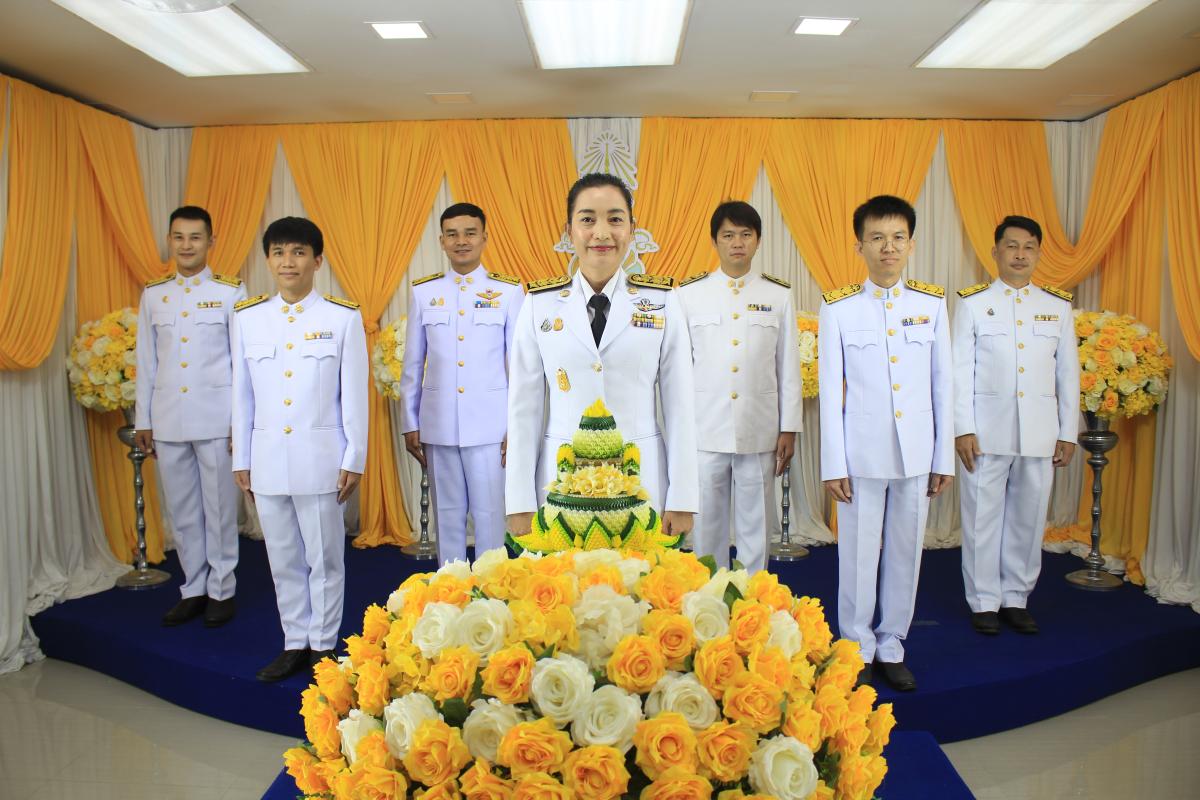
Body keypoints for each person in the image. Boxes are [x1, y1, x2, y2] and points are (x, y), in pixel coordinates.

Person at [505, 173, 698, 540]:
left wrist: (683, 498)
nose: (602, 232)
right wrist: (519, 502)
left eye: (615, 218)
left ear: (632, 229)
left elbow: (680, 408)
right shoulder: (538, 305)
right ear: (569, 230)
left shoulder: (662, 301)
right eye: (588, 219)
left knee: (641, 576)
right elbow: (522, 411)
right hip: (561, 485)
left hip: (641, 482)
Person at [818, 195, 954, 692]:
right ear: (860, 246)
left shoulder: (931, 305)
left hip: (916, 452)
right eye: (877, 238)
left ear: (911, 245)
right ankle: (857, 645)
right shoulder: (838, 308)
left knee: (905, 550)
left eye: (897, 237)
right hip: (861, 454)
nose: (888, 247)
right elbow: (831, 392)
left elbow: (943, 386)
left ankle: (892, 643)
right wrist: (833, 463)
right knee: (857, 554)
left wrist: (943, 457)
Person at [231, 217, 368, 682]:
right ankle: (294, 641)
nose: (288, 261)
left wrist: (354, 457)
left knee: (325, 558)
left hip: (321, 459)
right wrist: (242, 457)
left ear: (317, 260)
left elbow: (354, 396)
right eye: (279, 252)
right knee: (282, 557)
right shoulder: (248, 318)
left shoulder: (341, 318)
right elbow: (242, 394)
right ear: (268, 260)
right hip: (267, 457)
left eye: (298, 252)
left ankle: (323, 644)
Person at [954, 215, 1079, 636]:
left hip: (1040, 432)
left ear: (1038, 254)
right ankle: (984, 601)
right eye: (1012, 246)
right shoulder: (973, 303)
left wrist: (1067, 431)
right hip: (986, 431)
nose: (1020, 254)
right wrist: (962, 427)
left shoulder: (1057, 306)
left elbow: (1068, 375)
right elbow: (959, 371)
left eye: (1029, 247)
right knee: (981, 518)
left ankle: (1016, 598)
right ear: (995, 252)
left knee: (1029, 517)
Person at [134, 206, 246, 628]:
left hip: (216, 418)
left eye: (195, 237)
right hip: (168, 419)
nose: (186, 245)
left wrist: (239, 422)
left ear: (210, 242)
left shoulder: (230, 292)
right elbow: (146, 361)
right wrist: (143, 419)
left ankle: (221, 589)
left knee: (219, 509)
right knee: (182, 511)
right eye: (179, 237)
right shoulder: (154, 294)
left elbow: (241, 363)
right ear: (169, 240)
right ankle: (193, 588)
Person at [678, 201, 802, 574]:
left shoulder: (778, 295)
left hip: (758, 427)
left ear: (758, 240)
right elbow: (678, 370)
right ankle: (709, 594)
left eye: (745, 234)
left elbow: (788, 366)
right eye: (728, 235)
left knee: (756, 523)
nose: (737, 243)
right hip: (705, 427)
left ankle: (753, 593)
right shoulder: (689, 294)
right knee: (707, 524)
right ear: (714, 241)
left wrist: (789, 427)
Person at [399, 204, 523, 564]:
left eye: (470, 233)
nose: (461, 241)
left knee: (489, 516)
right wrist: (410, 422)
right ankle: (450, 588)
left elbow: (518, 367)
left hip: (490, 426)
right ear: (441, 241)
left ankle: (491, 588)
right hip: (439, 425)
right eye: (452, 234)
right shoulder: (425, 292)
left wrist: (515, 427)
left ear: (484, 237)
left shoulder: (508, 292)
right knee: (447, 517)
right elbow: (413, 363)